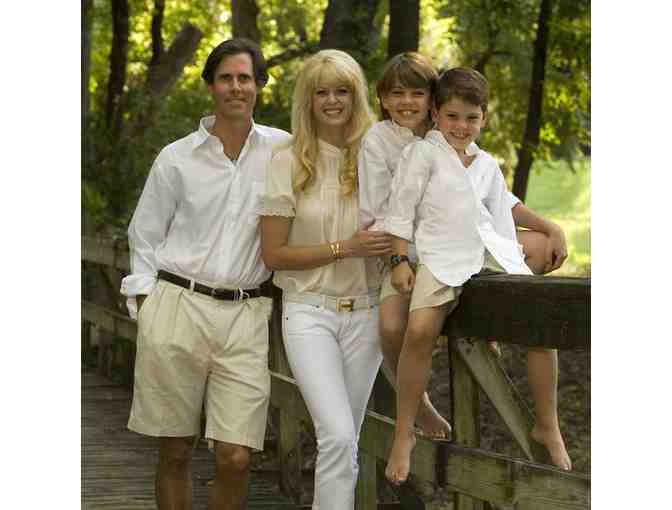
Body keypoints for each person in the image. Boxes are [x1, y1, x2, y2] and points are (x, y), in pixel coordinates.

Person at [119, 38, 290, 510]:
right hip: (178, 307)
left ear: (259, 85)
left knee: (236, 456)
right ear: (211, 86)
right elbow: (144, 234)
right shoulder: (176, 157)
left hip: (246, 314)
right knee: (175, 450)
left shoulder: (284, 150)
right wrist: (147, 305)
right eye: (225, 78)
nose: (236, 87)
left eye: (245, 78)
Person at [383, 67, 570, 485]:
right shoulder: (422, 155)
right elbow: (400, 211)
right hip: (441, 255)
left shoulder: (486, 164)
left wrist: (536, 240)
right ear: (435, 113)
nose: (461, 126)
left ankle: (547, 423)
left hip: (488, 254)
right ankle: (404, 430)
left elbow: (501, 213)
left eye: (471, 118)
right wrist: (399, 261)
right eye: (452, 116)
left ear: (484, 118)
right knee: (419, 329)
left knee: (541, 320)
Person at [260, 49, 391, 510]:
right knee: (336, 435)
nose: (332, 101)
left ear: (356, 96)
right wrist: (344, 248)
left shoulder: (379, 153)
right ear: (308, 100)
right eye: (321, 92)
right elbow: (273, 254)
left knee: (347, 439)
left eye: (342, 91)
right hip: (308, 312)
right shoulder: (287, 160)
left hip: (368, 312)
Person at [358, 52, 453, 440]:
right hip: (401, 252)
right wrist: (402, 253)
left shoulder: (446, 133)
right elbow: (375, 211)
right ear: (382, 98)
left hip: (448, 249)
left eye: (417, 92)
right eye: (397, 93)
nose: (407, 102)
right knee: (391, 325)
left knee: (532, 251)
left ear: (432, 97)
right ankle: (417, 404)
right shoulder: (378, 140)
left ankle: (488, 335)